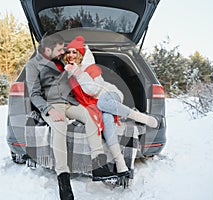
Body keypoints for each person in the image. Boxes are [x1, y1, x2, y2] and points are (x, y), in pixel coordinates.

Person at [25, 34, 116, 200]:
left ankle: (98, 164)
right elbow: (34, 94)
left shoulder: (62, 61)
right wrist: (49, 110)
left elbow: (84, 65)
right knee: (60, 128)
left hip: (70, 103)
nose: (63, 52)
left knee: (91, 116)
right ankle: (63, 179)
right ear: (47, 50)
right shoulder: (33, 65)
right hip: (53, 105)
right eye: (60, 49)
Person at [63, 36, 160, 178]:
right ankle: (120, 163)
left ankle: (142, 117)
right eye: (68, 52)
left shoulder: (91, 68)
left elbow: (92, 90)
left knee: (103, 104)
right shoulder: (70, 72)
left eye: (75, 52)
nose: (71, 55)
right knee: (106, 118)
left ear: (81, 55)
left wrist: (78, 73)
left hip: (111, 94)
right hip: (98, 104)